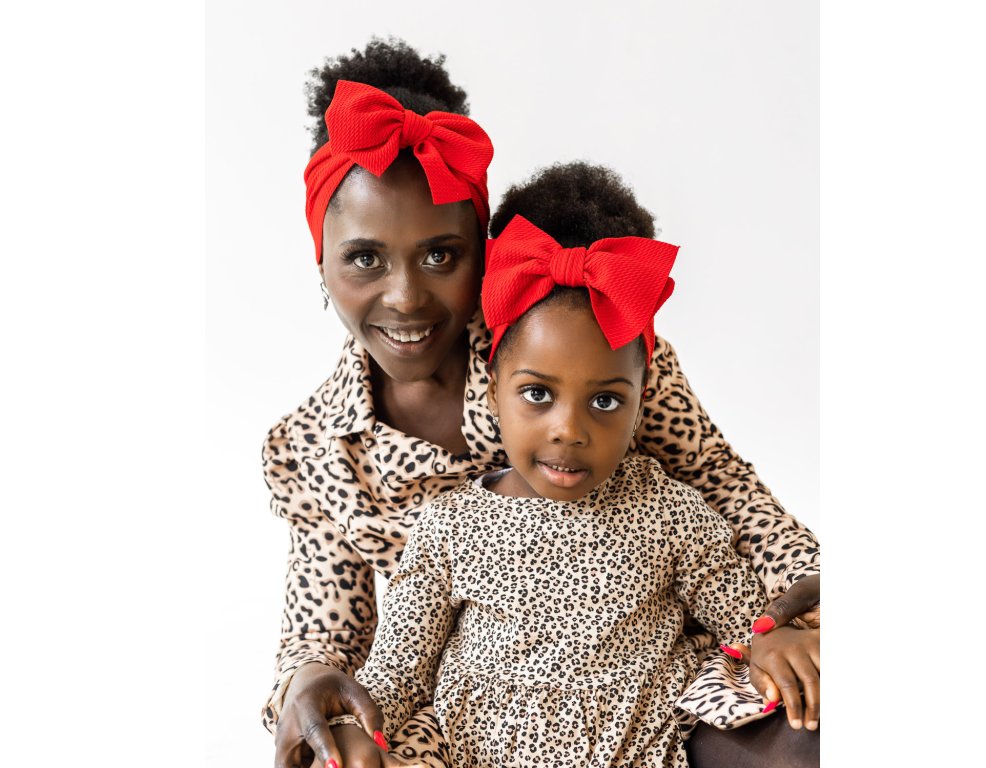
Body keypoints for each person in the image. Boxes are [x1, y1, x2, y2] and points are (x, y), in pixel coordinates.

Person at [266, 38, 820, 768]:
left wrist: (798, 602)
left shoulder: (581, 339)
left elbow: (719, 483)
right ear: (321, 257)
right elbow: (330, 634)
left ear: (484, 248)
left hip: (647, 687)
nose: (405, 297)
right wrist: (310, 684)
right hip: (472, 714)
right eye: (364, 257)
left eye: (442, 254)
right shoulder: (313, 449)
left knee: (812, 718)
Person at [331, 210, 784, 767]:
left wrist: (777, 637)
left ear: (642, 399)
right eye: (538, 394)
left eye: (605, 400)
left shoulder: (670, 512)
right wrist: (355, 727)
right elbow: (399, 671)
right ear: (493, 390)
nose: (569, 429)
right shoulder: (449, 527)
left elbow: (748, 623)